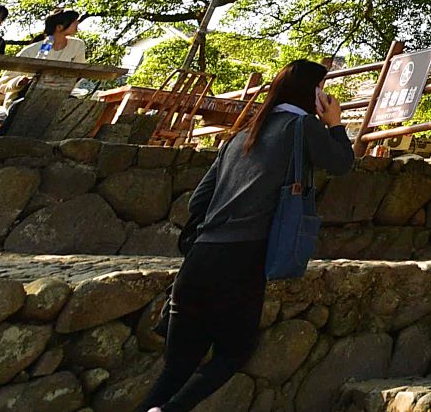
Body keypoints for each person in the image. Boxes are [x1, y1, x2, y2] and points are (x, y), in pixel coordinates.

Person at [145, 59, 353, 412]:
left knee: (176, 367)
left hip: (200, 259)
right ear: (313, 94)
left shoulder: (242, 135)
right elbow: (342, 163)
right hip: (243, 258)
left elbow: (199, 200)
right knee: (233, 353)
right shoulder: (302, 127)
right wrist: (335, 125)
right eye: (324, 88)